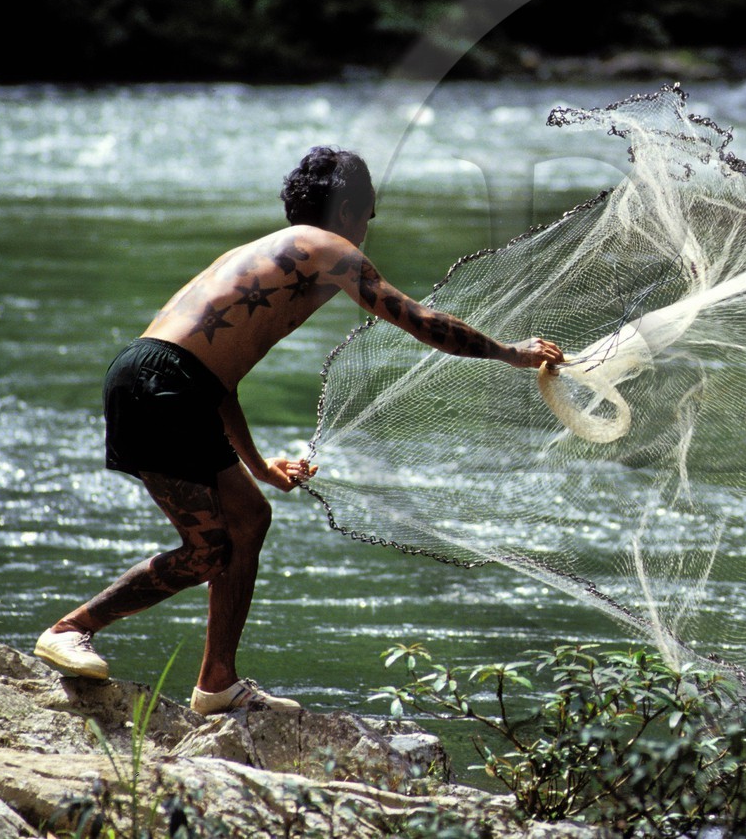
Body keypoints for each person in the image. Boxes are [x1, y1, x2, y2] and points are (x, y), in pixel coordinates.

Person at [33, 146, 562, 715]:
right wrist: (511, 352)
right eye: (368, 215)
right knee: (209, 549)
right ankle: (71, 628)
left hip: (166, 381)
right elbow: (421, 321)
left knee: (250, 516)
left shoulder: (267, 252)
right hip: (161, 386)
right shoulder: (327, 249)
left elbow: (221, 382)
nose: (368, 229)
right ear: (345, 211)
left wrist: (260, 468)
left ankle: (217, 684)